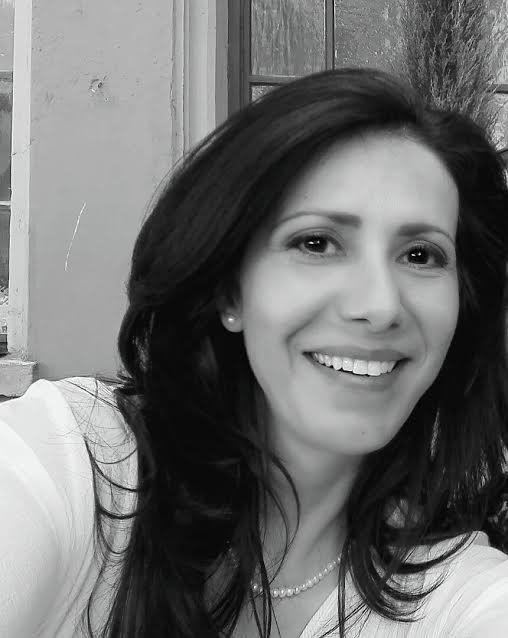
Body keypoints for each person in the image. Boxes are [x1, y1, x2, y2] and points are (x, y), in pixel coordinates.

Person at [1, 68, 508, 638]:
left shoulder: (456, 592)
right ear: (230, 292)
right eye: (317, 243)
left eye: (420, 255)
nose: (381, 306)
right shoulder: (79, 464)